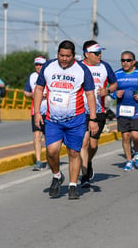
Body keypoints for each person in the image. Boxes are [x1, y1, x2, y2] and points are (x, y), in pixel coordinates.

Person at [34, 40, 99, 200]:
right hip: (53, 120)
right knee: (51, 151)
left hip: (75, 119)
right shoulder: (48, 67)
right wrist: (36, 112)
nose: (64, 59)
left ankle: (72, 185)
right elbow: (39, 88)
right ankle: (57, 175)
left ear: (73, 56)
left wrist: (93, 118)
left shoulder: (81, 70)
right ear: (57, 54)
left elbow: (90, 94)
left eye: (67, 56)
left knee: (74, 152)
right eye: (61, 55)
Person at [79, 40, 117, 187]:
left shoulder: (105, 66)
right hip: (81, 111)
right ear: (87, 54)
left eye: (101, 52)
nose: (100, 55)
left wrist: (107, 91)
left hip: (99, 111)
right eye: (96, 53)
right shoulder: (78, 67)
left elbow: (114, 84)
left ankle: (87, 161)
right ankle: (84, 176)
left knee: (93, 146)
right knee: (84, 143)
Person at [112, 51, 138, 172]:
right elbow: (110, 90)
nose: (125, 63)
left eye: (128, 60)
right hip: (122, 110)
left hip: (137, 109)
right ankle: (129, 160)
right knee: (126, 136)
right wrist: (114, 94)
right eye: (123, 60)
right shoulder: (116, 74)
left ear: (133, 61)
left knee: (135, 135)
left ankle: (137, 152)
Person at [24, 56, 47, 170]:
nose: (38, 66)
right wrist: (34, 95)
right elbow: (26, 92)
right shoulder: (32, 76)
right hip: (36, 111)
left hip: (50, 111)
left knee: (49, 137)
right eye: (37, 64)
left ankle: (50, 159)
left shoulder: (50, 75)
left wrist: (46, 95)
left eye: (41, 64)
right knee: (37, 135)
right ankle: (38, 161)